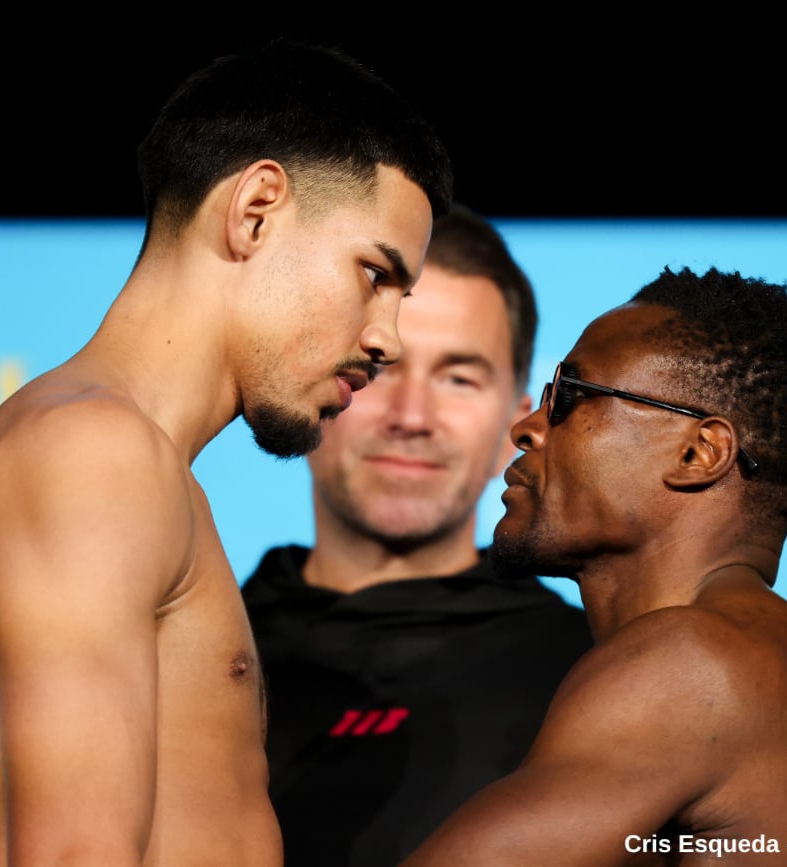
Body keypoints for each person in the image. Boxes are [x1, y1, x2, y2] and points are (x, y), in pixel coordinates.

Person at [0, 39, 452, 866]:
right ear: (256, 210)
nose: (386, 338)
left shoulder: (127, 459)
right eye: (374, 275)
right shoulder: (91, 451)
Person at [400, 265, 787, 866]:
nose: (526, 429)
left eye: (569, 397)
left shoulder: (694, 661)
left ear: (699, 453)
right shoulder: (781, 652)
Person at [241, 205, 593, 867]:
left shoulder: (596, 675)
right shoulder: (191, 653)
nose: (412, 417)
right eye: (380, 367)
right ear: (310, 392)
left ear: (516, 425)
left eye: (459, 378)